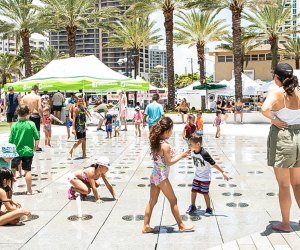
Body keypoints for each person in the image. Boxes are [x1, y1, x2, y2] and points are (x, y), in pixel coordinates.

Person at [262, 63, 300, 232]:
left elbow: (264, 109)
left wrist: (273, 120)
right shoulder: (298, 92)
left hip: (284, 138)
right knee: (298, 184)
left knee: (284, 185)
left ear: (277, 77)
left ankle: (285, 224)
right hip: (299, 137)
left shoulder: (277, 92)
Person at [143, 117, 194, 233]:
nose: (171, 132)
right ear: (166, 131)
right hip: (161, 177)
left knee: (152, 201)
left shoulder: (156, 141)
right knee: (173, 200)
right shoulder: (165, 145)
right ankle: (181, 225)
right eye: (171, 130)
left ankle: (145, 226)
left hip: (155, 174)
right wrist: (182, 155)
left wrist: (174, 154)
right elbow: (169, 162)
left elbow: (162, 158)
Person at [186, 134, 229, 215]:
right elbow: (189, 155)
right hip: (197, 176)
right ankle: (193, 206)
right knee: (193, 191)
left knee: (205, 193)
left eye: (190, 144)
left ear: (198, 144)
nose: (189, 145)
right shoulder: (193, 151)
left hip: (205, 178)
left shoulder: (204, 154)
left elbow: (214, 163)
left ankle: (209, 208)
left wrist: (223, 172)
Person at [9, 105, 40, 195]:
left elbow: (10, 140)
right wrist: (35, 147)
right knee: (27, 171)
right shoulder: (31, 124)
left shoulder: (14, 125)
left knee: (12, 170)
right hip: (28, 151)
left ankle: (10, 190)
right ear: (28, 113)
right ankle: (29, 190)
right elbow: (37, 137)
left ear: (18, 113)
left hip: (16, 151)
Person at [21, 85, 42, 151]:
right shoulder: (38, 97)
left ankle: (28, 146)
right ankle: (36, 147)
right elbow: (39, 108)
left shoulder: (24, 97)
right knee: (37, 132)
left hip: (27, 116)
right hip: (35, 115)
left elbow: (21, 107)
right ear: (36, 90)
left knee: (27, 131)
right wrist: (41, 116)